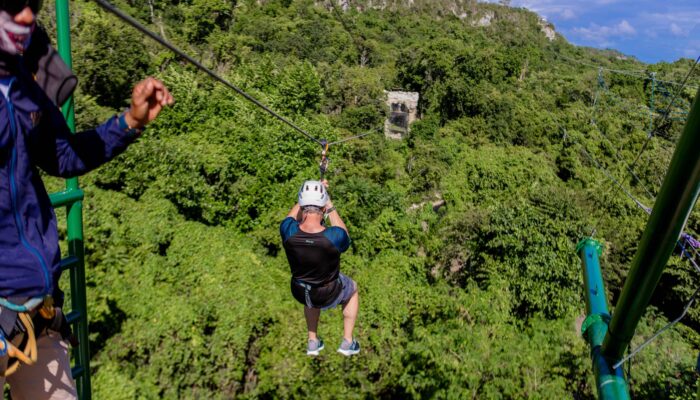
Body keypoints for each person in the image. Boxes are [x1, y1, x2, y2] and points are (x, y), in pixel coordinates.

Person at [0, 2, 174, 398]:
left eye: (35, 4)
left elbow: (63, 155)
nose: (27, 17)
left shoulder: (23, 86)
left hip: (37, 309)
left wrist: (130, 122)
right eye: (12, 4)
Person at [280, 180, 360, 356]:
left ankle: (312, 341)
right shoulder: (334, 237)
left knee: (310, 289)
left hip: (299, 290)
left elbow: (291, 217)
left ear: (302, 205)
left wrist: (312, 193)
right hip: (327, 292)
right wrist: (329, 204)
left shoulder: (287, 231)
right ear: (322, 208)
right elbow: (345, 235)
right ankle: (348, 341)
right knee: (353, 288)